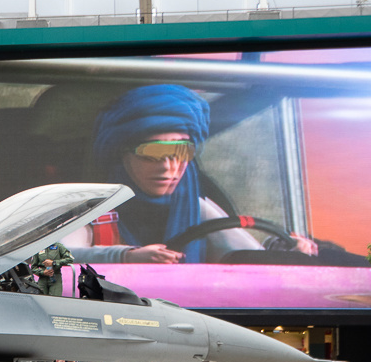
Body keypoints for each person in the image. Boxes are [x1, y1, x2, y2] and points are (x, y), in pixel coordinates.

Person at [62, 84, 318, 265]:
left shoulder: (196, 208)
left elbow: (248, 256)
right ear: (122, 154)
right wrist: (125, 256)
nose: (167, 167)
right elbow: (49, 258)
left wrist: (284, 251)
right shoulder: (93, 211)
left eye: (181, 152)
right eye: (151, 152)